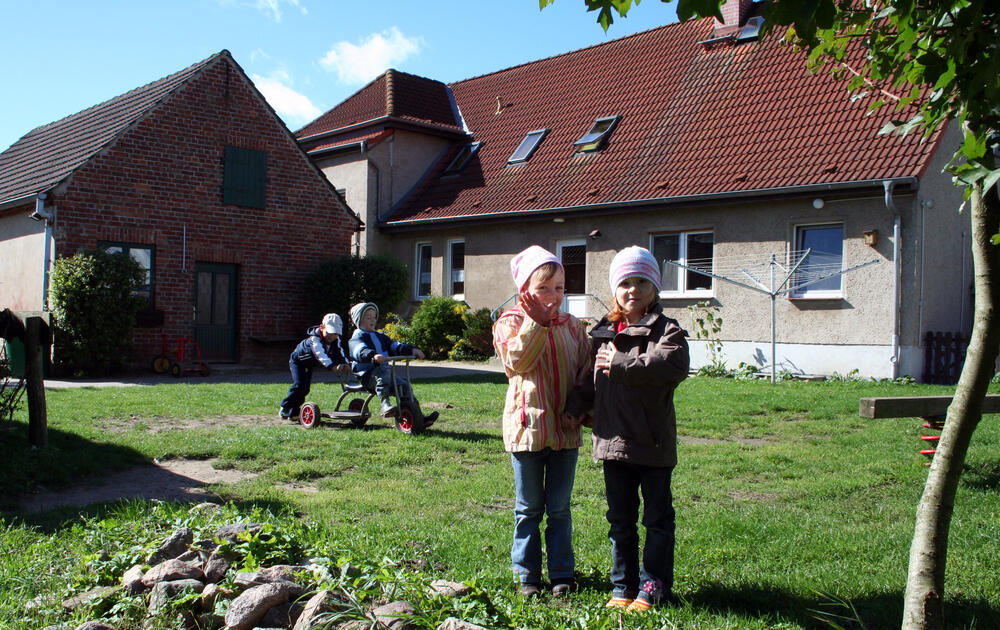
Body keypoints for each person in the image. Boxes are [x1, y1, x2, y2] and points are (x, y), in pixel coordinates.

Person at [589, 246, 690, 611]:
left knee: (657, 518)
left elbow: (671, 366)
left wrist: (622, 362)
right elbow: (589, 380)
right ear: (615, 289)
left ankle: (654, 586)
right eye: (625, 283)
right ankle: (623, 586)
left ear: (655, 289)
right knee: (620, 519)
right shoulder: (603, 331)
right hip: (613, 442)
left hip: (652, 442)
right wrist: (575, 408)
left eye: (642, 282)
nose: (633, 290)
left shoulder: (668, 330)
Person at [492, 245, 592, 598]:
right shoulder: (510, 323)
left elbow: (584, 374)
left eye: (560, 288)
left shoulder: (574, 327)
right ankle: (527, 576)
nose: (553, 297)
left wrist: (580, 409)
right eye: (543, 288)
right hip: (528, 430)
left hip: (565, 430)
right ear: (524, 291)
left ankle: (562, 573)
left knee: (560, 508)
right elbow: (517, 362)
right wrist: (535, 322)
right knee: (529, 508)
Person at [348, 302, 439, 424]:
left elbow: (395, 346)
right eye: (368, 317)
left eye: (374, 317)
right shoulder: (357, 336)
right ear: (359, 320)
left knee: (405, 386)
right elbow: (359, 350)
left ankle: (419, 417)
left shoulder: (380, 336)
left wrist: (412, 350)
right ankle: (385, 404)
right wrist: (373, 356)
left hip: (384, 373)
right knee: (384, 373)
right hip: (367, 375)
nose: (372, 320)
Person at [280, 313, 352, 420]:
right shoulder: (314, 340)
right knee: (299, 384)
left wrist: (345, 363)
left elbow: (340, 352)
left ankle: (294, 412)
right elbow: (320, 355)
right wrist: (332, 366)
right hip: (298, 361)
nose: (332, 337)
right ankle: (285, 406)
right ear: (322, 327)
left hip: (309, 364)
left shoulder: (336, 340)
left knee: (305, 389)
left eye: (336, 334)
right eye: (330, 333)